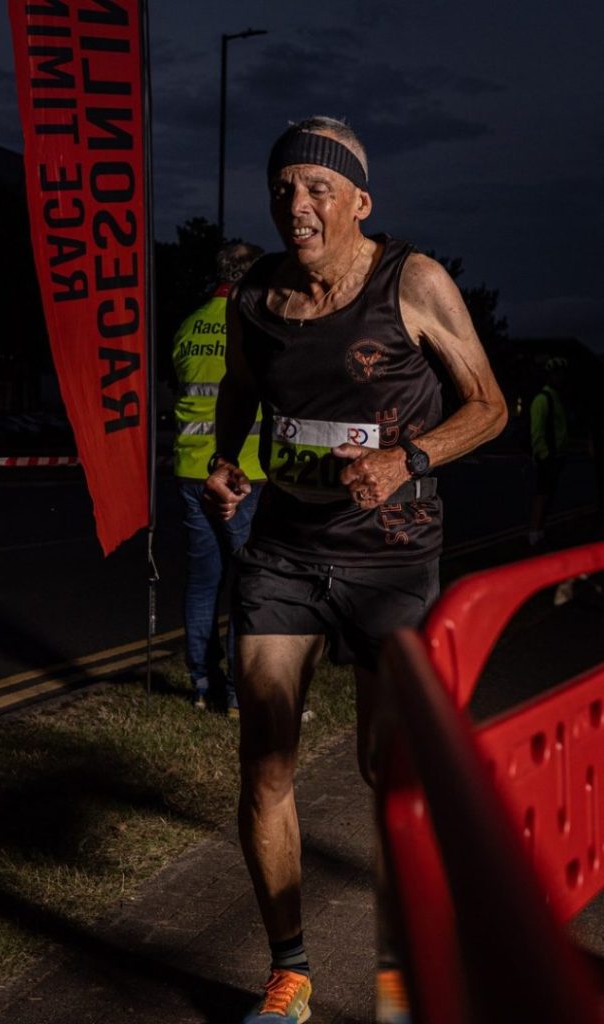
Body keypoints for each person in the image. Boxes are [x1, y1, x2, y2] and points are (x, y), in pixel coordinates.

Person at [203, 116, 507, 1022]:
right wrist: (229, 463)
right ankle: (289, 973)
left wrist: (406, 460)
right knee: (264, 762)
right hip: (286, 554)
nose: (295, 205)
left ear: (358, 202)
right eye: (283, 188)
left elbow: (489, 405)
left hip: (390, 560)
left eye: (316, 189)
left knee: (389, 771)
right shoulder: (255, 294)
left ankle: (402, 954)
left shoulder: (410, 281)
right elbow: (239, 393)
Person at [172, 242, 265, 715]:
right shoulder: (253, 325)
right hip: (244, 472)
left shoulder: (188, 327)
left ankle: (203, 686)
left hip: (191, 470)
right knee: (250, 583)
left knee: (203, 582)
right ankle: (236, 695)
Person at [528, 356, 569, 548]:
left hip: (557, 456)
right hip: (548, 457)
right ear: (550, 377)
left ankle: (540, 530)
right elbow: (537, 430)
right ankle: (534, 533)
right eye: (556, 374)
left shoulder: (556, 398)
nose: (560, 378)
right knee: (541, 494)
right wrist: (543, 455)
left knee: (548, 495)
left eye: (562, 375)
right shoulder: (542, 399)